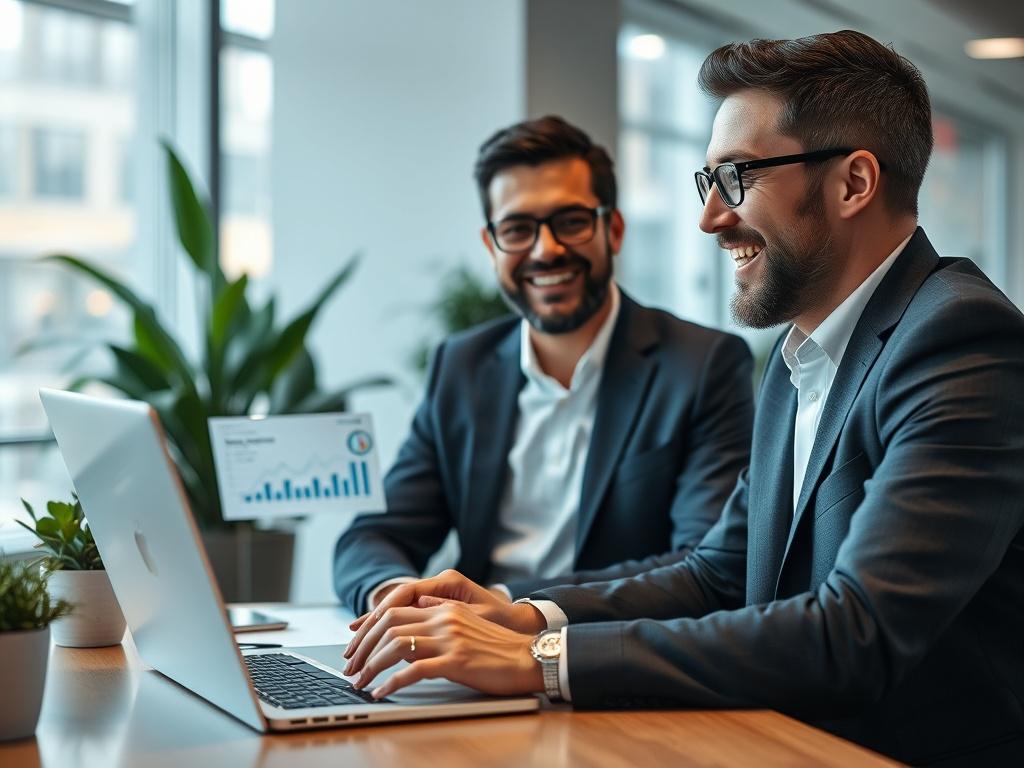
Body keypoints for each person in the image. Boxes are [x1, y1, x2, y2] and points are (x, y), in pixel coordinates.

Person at [341, 31, 1024, 766]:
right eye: (709, 183)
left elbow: (853, 631)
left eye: (736, 177)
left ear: (854, 183)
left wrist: (543, 656)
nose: (710, 219)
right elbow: (718, 571)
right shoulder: (803, 353)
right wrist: (519, 613)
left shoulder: (960, 339)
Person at [333, 116, 754, 614]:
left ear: (612, 230)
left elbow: (703, 565)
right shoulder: (462, 366)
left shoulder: (702, 366)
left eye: (571, 222)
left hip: (603, 657)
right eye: (516, 229)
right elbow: (373, 535)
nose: (546, 249)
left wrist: (508, 605)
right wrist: (395, 597)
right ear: (492, 247)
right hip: (465, 651)